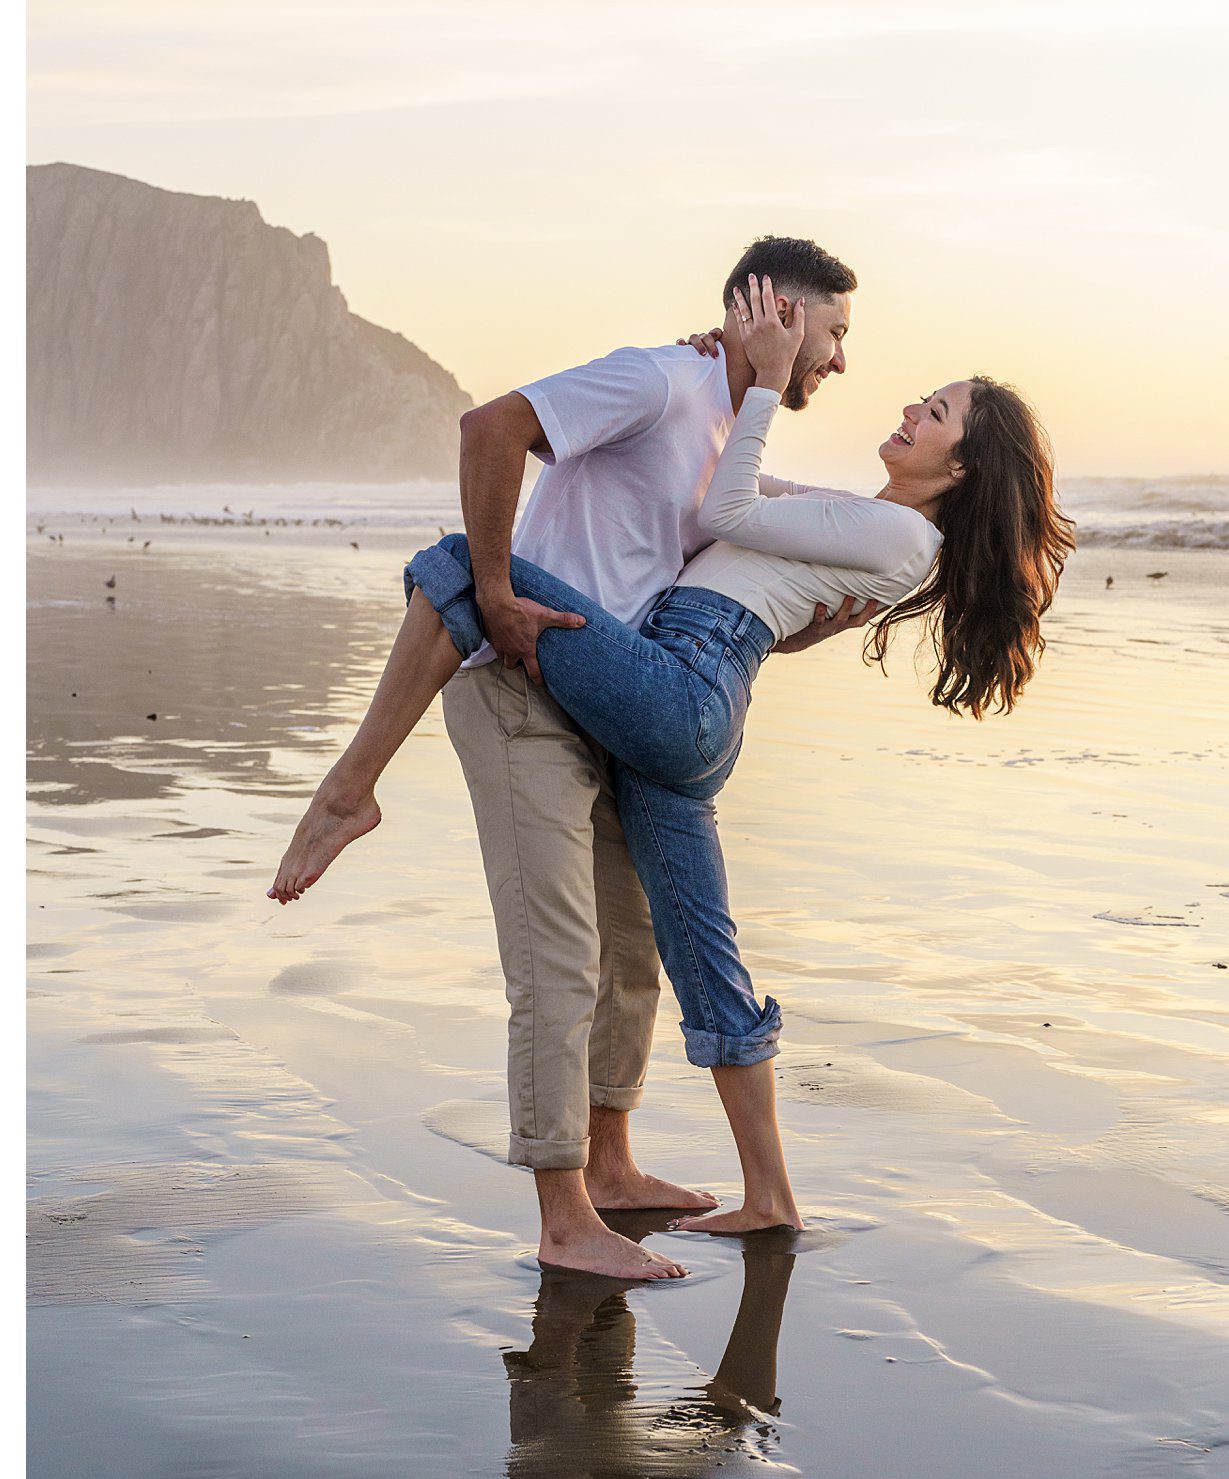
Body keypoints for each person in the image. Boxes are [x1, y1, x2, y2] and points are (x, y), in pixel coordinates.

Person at [270, 266, 1075, 1279]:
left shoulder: (901, 531)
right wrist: (733, 381)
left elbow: (730, 507)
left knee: (470, 568)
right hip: (685, 696)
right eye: (923, 394)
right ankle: (763, 1190)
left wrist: (764, 386)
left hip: (680, 686)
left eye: (939, 409)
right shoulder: (869, 518)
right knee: (687, 945)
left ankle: (351, 788)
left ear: (962, 465)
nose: (908, 402)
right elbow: (733, 510)